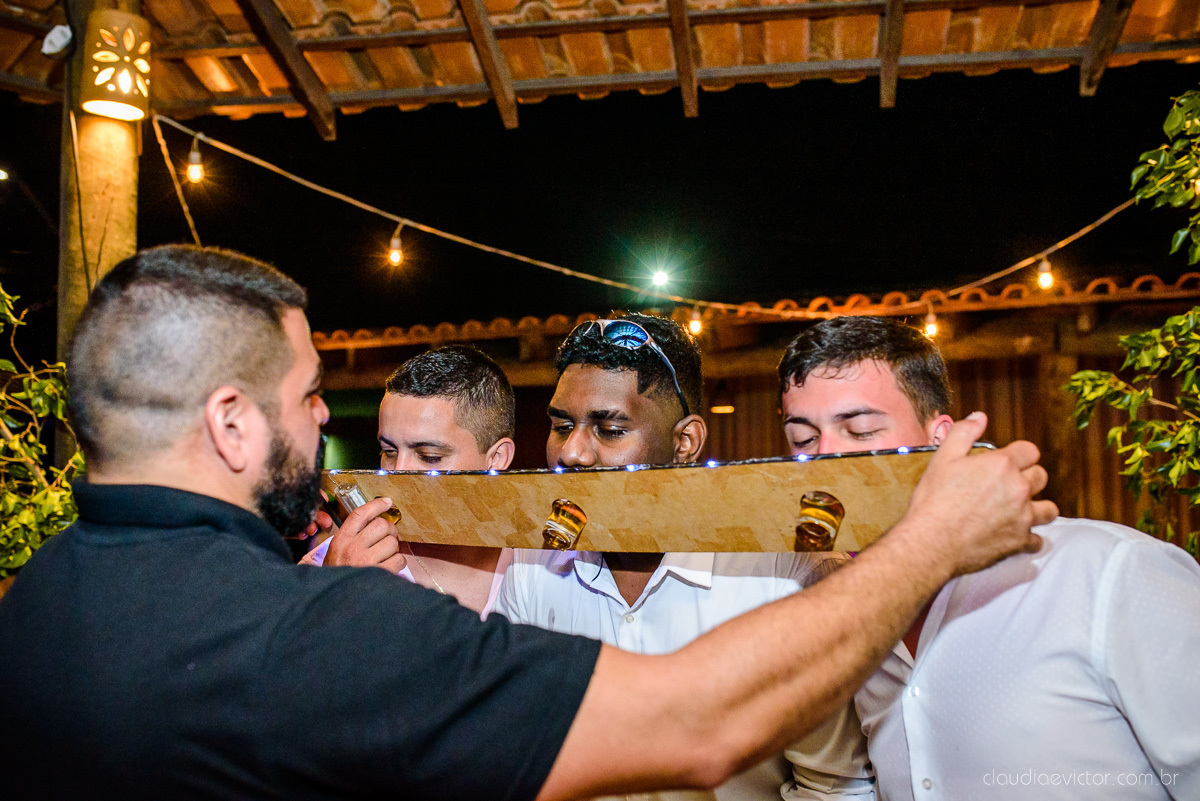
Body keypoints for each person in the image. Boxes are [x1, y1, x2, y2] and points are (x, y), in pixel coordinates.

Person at [0, 245, 1054, 800]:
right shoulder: (311, 629)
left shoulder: (34, 600)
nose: (327, 419)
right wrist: (929, 544)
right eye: (309, 393)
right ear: (232, 423)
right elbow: (694, 725)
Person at [777, 315, 1200, 801]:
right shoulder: (838, 606)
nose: (825, 457)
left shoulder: (1110, 572)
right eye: (804, 439)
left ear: (941, 439)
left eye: (861, 429)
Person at [494, 312, 874, 800]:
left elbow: (836, 787)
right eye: (561, 425)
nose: (572, 452)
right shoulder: (531, 570)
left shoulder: (781, 577)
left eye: (608, 430)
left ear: (684, 442)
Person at [302, 345, 516, 617]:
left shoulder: (546, 563)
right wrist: (338, 595)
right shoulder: (335, 566)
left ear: (497, 458)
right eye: (389, 452)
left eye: (429, 456)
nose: (398, 471)